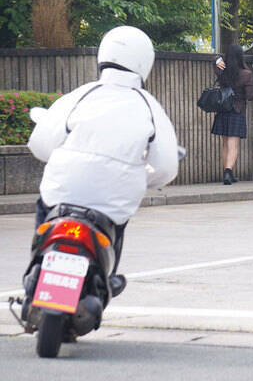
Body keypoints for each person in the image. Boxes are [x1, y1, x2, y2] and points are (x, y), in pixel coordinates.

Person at [27, 26, 179, 297]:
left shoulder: (80, 95)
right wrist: (143, 179)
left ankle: (35, 267)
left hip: (61, 192)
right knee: (116, 229)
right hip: (112, 202)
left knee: (44, 210)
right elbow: (167, 166)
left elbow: (40, 144)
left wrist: (64, 160)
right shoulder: (149, 106)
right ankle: (105, 280)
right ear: (145, 62)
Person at [213, 44, 253, 184]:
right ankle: (228, 171)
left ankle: (227, 172)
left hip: (223, 110)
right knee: (233, 145)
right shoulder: (246, 74)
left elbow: (214, 58)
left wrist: (217, 59)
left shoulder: (222, 71)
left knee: (225, 144)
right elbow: (250, 95)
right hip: (237, 111)